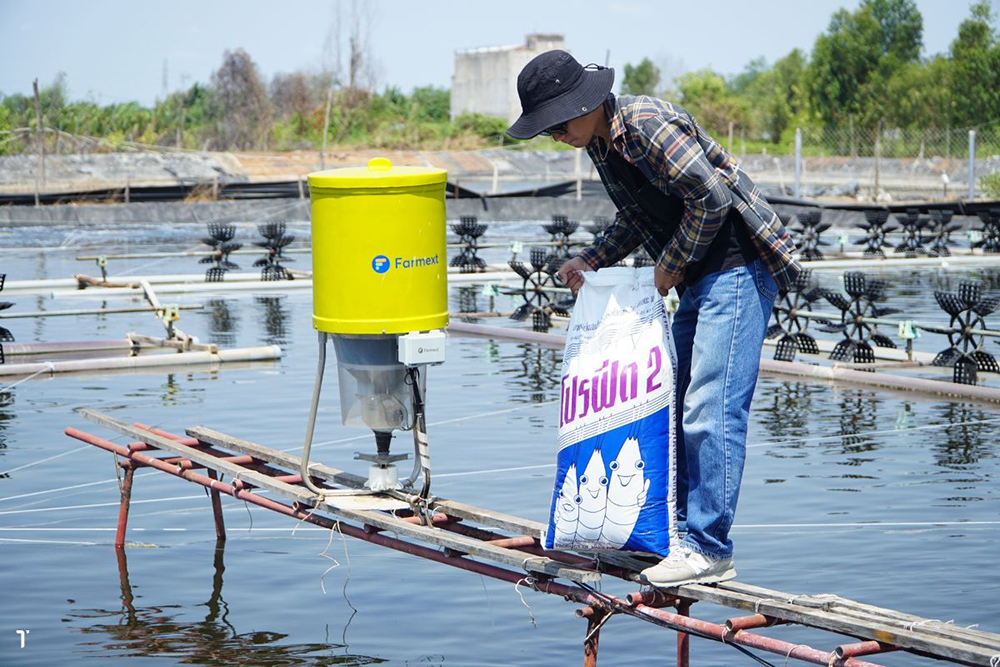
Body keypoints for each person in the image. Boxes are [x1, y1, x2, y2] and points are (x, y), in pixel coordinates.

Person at [507, 50, 801, 587]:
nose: (556, 136)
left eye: (558, 123)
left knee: (711, 409)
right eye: (547, 131)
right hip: (699, 277)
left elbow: (710, 200)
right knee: (680, 406)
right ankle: (682, 539)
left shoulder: (645, 124)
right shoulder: (601, 144)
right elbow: (638, 215)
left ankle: (710, 549)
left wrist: (667, 266)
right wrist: (591, 260)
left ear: (588, 102)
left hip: (737, 267)